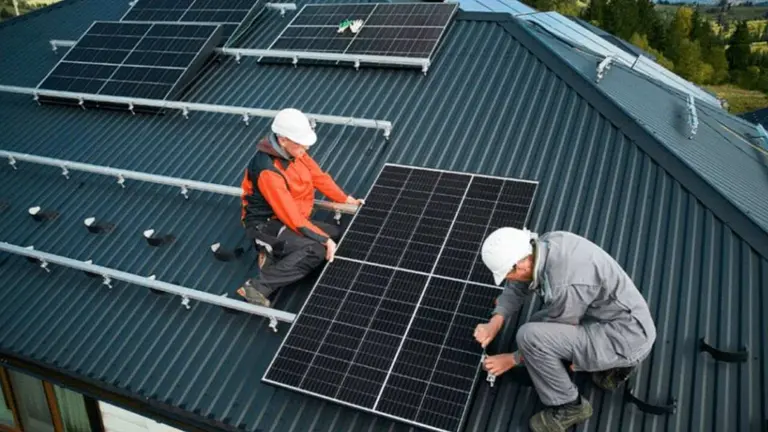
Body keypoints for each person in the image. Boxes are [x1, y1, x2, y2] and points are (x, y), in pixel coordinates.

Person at [474, 228, 656, 432]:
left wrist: (511, 360)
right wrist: (495, 321)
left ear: (520, 265)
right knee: (537, 323)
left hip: (625, 339)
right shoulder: (543, 246)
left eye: (509, 273)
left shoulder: (564, 284)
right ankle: (611, 369)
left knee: (530, 336)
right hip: (615, 319)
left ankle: (571, 405)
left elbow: (554, 329)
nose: (510, 279)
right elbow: (518, 285)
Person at [237, 108, 363, 307]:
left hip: (287, 219)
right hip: (266, 225)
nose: (305, 148)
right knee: (316, 250)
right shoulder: (267, 171)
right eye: (300, 143)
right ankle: (257, 286)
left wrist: (345, 198)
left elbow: (318, 177)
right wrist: (324, 241)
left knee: (334, 232)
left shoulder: (295, 152)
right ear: (283, 139)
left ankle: (275, 252)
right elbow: (291, 217)